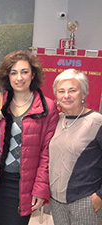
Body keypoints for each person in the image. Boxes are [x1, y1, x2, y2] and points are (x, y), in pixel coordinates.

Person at [0, 50, 59, 225]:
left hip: (23, 185)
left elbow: (47, 153)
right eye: (13, 72)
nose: (19, 77)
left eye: (24, 71)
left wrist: (40, 188)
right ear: (7, 76)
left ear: (33, 74)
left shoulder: (48, 107)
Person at [49, 69, 102, 225]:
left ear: (83, 94)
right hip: (57, 201)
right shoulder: (56, 121)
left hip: (85, 200)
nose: (66, 95)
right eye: (61, 91)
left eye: (72, 90)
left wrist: (100, 195)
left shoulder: (96, 121)